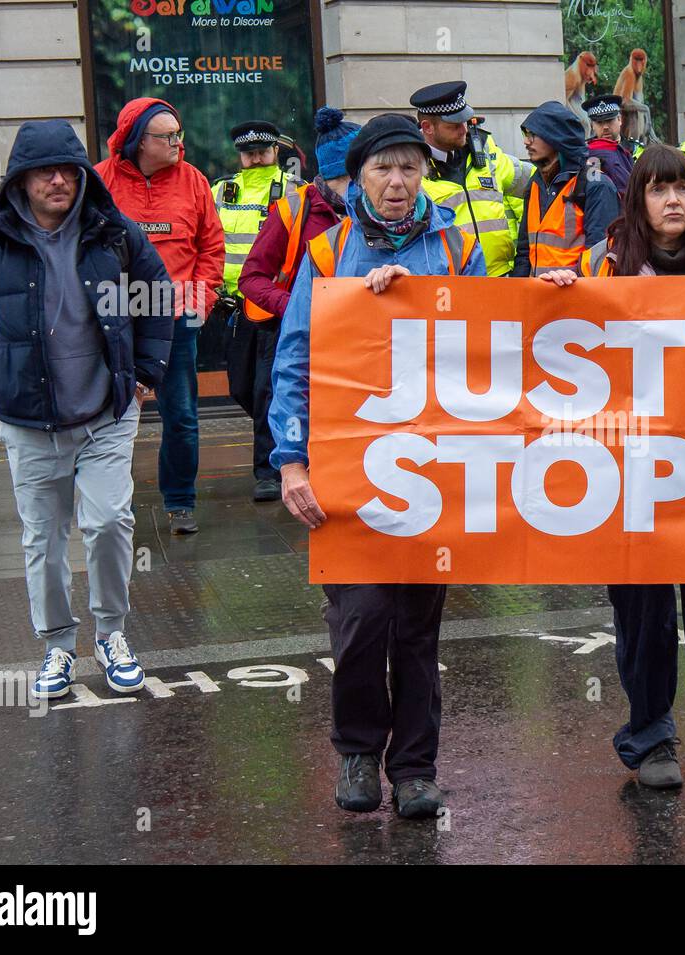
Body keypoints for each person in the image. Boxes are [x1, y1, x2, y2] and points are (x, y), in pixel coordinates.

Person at [538, 145, 685, 818]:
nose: (674, 200)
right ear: (637, 200)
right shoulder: (600, 265)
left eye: (684, 189)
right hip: (629, 474)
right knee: (642, 619)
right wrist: (552, 298)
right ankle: (650, 737)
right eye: (659, 190)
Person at [269, 114, 486, 819]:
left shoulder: (455, 244)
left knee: (418, 627)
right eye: (383, 169)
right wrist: (291, 458)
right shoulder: (330, 252)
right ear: (356, 177)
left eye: (410, 168)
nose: (398, 182)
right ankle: (359, 750)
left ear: (427, 173)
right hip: (349, 467)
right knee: (361, 618)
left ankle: (416, 767)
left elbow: (490, 349)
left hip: (431, 468)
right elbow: (295, 358)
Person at [0, 120, 174, 699]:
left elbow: (156, 295)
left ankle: (112, 634)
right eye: (43, 171)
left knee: (107, 522)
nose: (57, 180)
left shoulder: (112, 232)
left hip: (106, 412)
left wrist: (145, 373)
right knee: (42, 540)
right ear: (20, 180)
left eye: (67, 170)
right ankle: (56, 646)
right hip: (29, 419)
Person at [95, 97, 225, 535]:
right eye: (166, 136)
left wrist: (200, 302)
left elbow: (211, 248)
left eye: (178, 133)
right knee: (107, 412)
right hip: (117, 316)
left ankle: (180, 501)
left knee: (182, 413)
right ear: (138, 140)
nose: (176, 142)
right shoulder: (99, 180)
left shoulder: (193, 181)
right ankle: (108, 503)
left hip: (176, 318)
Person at [238, 108, 359, 504]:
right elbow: (251, 278)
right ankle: (271, 473)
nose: (356, 189)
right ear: (326, 177)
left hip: (352, 332)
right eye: (347, 180)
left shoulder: (372, 215)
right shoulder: (293, 210)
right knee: (275, 396)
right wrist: (296, 307)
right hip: (296, 326)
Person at [210, 120, 304, 502]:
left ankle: (268, 471)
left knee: (267, 388)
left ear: (275, 151)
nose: (255, 158)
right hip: (233, 306)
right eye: (249, 153)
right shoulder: (221, 190)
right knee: (241, 386)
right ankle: (285, 437)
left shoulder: (294, 189)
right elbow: (210, 238)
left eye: (262, 152)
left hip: (272, 305)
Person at [413, 81, 534, 277]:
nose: (464, 130)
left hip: (502, 277)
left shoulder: (486, 152)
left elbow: (535, 181)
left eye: (465, 121)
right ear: (427, 127)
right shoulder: (411, 169)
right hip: (453, 284)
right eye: (454, 125)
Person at [512, 101, 619, 277]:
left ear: (555, 137)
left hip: (576, 300)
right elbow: (524, 252)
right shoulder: (535, 183)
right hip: (538, 297)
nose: (526, 141)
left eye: (532, 135)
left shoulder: (596, 185)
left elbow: (600, 261)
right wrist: (518, 296)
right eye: (525, 134)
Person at [583, 93, 634, 199]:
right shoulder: (586, 153)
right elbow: (593, 190)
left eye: (609, 120)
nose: (605, 127)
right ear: (592, 125)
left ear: (620, 120)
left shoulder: (637, 150)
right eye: (599, 122)